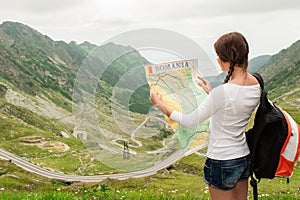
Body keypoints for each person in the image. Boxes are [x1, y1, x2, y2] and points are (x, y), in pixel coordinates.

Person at [150, 32, 261, 200]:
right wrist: (210, 91)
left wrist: (161, 105)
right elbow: (233, 105)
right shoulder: (256, 84)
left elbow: (191, 121)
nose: (217, 60)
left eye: (218, 56)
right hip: (243, 157)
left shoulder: (222, 93)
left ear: (226, 60)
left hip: (221, 160)